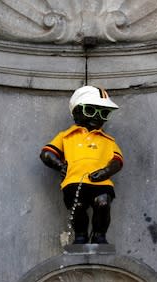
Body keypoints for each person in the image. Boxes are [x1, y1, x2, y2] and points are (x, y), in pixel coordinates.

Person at [40, 86, 123, 244]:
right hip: (74, 180)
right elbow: (46, 153)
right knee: (77, 206)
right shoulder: (66, 136)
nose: (97, 117)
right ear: (76, 112)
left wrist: (106, 171)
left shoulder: (108, 140)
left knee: (103, 202)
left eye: (104, 113)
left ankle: (99, 236)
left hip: (101, 182)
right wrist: (60, 165)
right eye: (91, 111)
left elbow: (117, 161)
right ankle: (80, 236)